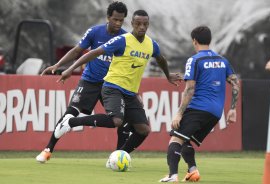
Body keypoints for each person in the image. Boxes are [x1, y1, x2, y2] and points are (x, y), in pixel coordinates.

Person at [53, 10, 181, 156]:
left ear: (148, 25)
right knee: (117, 121)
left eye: (145, 24)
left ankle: (119, 155)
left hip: (130, 92)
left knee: (143, 130)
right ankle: (71, 122)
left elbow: (161, 59)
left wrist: (167, 75)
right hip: (112, 87)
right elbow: (93, 53)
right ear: (132, 23)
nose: (142, 27)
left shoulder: (151, 45)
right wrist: (70, 68)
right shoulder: (122, 40)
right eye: (138, 24)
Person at [36, 1, 129, 163]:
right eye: (115, 19)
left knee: (122, 119)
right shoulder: (95, 32)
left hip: (112, 84)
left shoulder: (126, 38)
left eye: (121, 20)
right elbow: (77, 51)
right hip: (90, 81)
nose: (118, 23)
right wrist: (59, 65)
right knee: (70, 113)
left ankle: (117, 156)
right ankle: (48, 149)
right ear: (108, 17)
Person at [159, 26, 240, 182]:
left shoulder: (194, 60)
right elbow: (235, 84)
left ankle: (172, 176)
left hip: (198, 108)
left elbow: (190, 89)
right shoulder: (222, 61)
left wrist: (179, 113)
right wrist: (233, 110)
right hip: (216, 113)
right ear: (209, 40)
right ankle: (192, 170)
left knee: (175, 139)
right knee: (185, 140)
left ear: (194, 41)